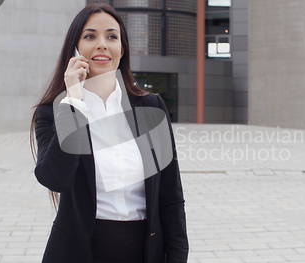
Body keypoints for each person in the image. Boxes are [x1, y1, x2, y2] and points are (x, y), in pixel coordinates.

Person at [29, 3, 189, 263]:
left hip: (145, 252)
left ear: (121, 49)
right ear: (75, 49)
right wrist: (74, 102)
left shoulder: (151, 107)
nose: (102, 44)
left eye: (112, 36)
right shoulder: (54, 112)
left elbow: (171, 196)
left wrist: (178, 257)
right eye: (90, 36)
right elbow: (55, 179)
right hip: (79, 253)